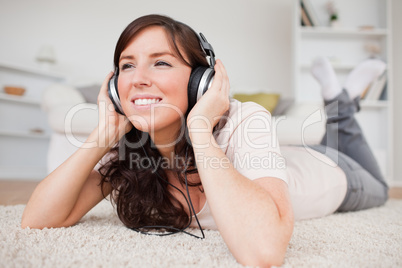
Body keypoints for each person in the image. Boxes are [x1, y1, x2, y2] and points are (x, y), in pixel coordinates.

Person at [21, 14, 389, 267]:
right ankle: (342, 98)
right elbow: (37, 221)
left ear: (203, 82)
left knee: (381, 186)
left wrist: (199, 128)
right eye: (127, 65)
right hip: (286, 159)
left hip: (334, 172)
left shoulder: (246, 119)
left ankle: (340, 104)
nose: (138, 79)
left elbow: (263, 253)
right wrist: (104, 133)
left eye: (161, 63)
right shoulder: (128, 144)